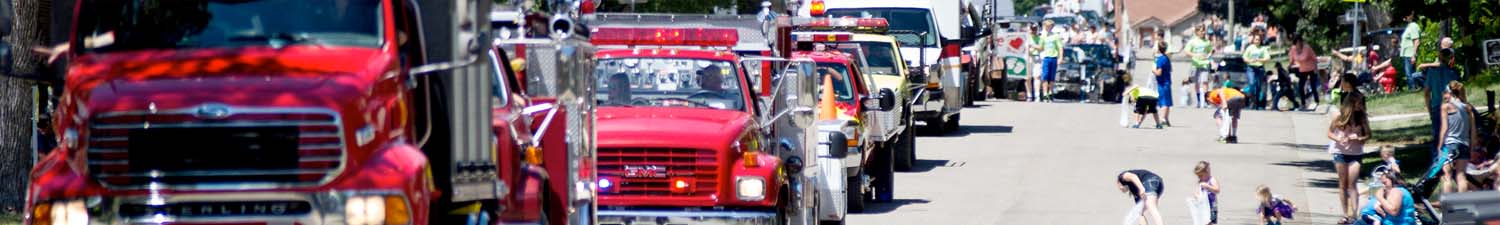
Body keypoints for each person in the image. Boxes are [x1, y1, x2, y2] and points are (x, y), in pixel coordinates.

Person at [1329, 86, 1371, 224]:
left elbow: (1368, 135)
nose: (1361, 106)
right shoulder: (1339, 117)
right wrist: (1339, 139)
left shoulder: (1362, 117)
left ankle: (1354, 214)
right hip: (1340, 152)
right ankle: (1345, 214)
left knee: (1352, 184)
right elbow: (1329, 133)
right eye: (1358, 103)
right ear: (1351, 104)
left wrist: (1358, 138)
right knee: (1343, 184)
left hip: (1355, 153)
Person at [1437, 81, 1477, 194]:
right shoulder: (1468, 108)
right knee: (1461, 176)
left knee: (1447, 176)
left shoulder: (1446, 106)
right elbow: (1473, 130)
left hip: (1450, 144)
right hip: (1464, 144)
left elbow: (1444, 128)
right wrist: (1473, 147)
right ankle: (1463, 204)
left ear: (1449, 92)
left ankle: (1448, 207)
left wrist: (1440, 146)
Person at [1185, 26, 1215, 108]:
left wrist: (1209, 56)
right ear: (1197, 32)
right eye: (1201, 31)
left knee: (1205, 82)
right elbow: (1187, 52)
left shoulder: (1207, 42)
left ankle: (1205, 101)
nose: (1203, 33)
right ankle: (1198, 101)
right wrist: (1195, 55)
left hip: (1205, 64)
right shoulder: (1192, 42)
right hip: (1195, 64)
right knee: (1197, 82)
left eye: (1204, 31)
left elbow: (1211, 51)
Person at [1035, 19, 1064, 102]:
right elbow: (1041, 47)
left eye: (1049, 26)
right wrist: (1032, 45)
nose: (1047, 28)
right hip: (1046, 58)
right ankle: (1045, 94)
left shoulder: (1056, 36)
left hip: (1053, 57)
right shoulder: (1042, 36)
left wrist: (1060, 57)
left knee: (1051, 77)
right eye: (1046, 26)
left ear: (1052, 27)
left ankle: (1050, 92)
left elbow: (1060, 47)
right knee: (1045, 75)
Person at [1290, 36, 1321, 110]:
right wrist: (1290, 65)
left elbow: (1314, 58)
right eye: (1297, 42)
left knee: (1313, 86)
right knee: (1301, 87)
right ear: (1295, 43)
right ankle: (1303, 103)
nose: (1299, 44)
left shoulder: (1307, 48)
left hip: (1311, 68)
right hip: (1303, 70)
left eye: (1300, 42)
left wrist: (1316, 69)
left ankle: (1317, 102)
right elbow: (1292, 59)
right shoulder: (1293, 49)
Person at [1242, 32, 1271, 109]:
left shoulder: (1263, 49)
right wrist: (1249, 60)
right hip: (1251, 68)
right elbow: (1244, 57)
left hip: (1260, 68)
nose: (1257, 41)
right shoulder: (1250, 48)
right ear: (1253, 40)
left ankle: (1257, 102)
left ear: (1260, 41)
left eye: (1258, 40)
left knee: (1258, 86)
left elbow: (1268, 58)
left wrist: (1260, 59)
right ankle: (1252, 101)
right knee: (1252, 84)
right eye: (1256, 39)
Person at [1400, 11, 1421, 90]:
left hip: (1410, 54)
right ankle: (1413, 88)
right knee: (1410, 73)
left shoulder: (1413, 26)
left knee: (1410, 74)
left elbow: (1416, 41)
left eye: (1406, 16)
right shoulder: (1409, 26)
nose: (1404, 18)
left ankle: (1412, 89)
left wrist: (1413, 55)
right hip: (1407, 54)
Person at [1154, 43, 1175, 126]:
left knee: (1163, 102)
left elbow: (1159, 73)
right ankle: (1166, 118)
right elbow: (1171, 69)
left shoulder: (1160, 59)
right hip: (1167, 82)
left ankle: (1163, 119)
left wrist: (1154, 71)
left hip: (1162, 83)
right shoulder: (1167, 58)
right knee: (1167, 101)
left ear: (1158, 49)